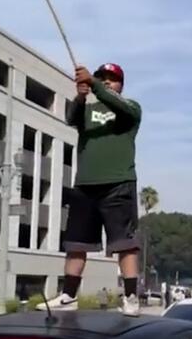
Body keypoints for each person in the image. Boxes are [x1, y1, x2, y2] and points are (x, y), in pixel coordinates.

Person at [39, 63, 142, 316]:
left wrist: (94, 85)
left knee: (125, 244)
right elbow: (71, 118)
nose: (107, 82)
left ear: (121, 84)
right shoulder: (88, 109)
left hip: (118, 184)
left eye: (112, 79)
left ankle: (130, 297)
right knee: (77, 244)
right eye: (102, 78)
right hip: (85, 185)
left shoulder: (130, 109)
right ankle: (69, 296)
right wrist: (81, 94)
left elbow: (121, 106)